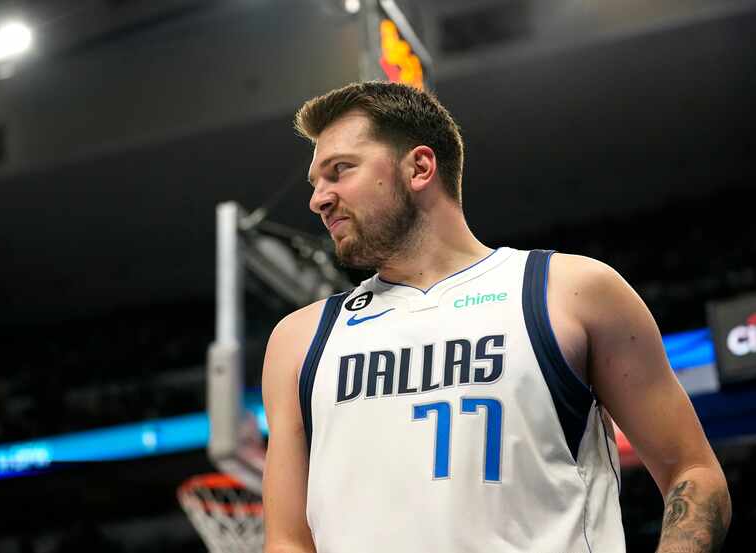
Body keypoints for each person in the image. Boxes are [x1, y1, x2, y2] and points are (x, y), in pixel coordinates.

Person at [260, 81, 730, 553]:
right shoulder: (299, 341)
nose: (318, 199)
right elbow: (287, 541)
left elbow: (694, 473)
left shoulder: (568, 292)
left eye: (339, 171)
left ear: (420, 167)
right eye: (316, 182)